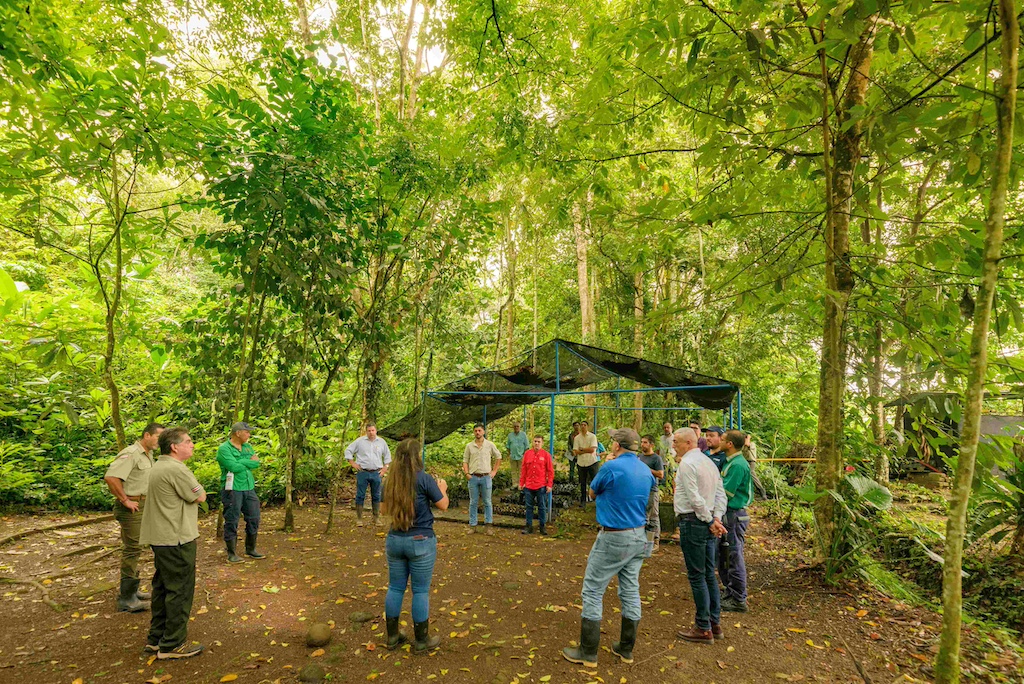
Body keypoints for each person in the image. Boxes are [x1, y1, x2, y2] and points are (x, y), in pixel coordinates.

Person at [562, 428, 653, 668]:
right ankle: (626, 649)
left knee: (593, 589)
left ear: (617, 445)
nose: (610, 443)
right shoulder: (645, 469)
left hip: (613, 536)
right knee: (630, 589)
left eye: (613, 440)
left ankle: (588, 652)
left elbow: (592, 492)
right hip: (638, 535)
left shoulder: (611, 468)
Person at [140, 427, 206, 659]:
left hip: (161, 537)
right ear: (174, 446)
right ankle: (173, 644)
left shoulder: (158, 465)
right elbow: (199, 495)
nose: (192, 445)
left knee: (163, 587)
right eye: (188, 441)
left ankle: (157, 638)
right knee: (179, 589)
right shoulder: (176, 469)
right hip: (176, 538)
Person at [382, 438, 449, 653]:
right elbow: (444, 505)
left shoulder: (389, 480)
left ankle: (392, 637)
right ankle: (421, 641)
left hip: (395, 540)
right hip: (421, 541)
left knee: (395, 587)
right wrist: (442, 488)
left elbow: (383, 511)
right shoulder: (424, 479)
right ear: (416, 456)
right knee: (420, 591)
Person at [672, 427, 728, 645]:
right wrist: (716, 518)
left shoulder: (688, 463)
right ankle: (714, 622)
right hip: (706, 522)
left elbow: (695, 498)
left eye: (676, 441)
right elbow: (719, 494)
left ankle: (703, 627)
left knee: (697, 575)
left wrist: (710, 520)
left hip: (694, 522)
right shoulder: (708, 462)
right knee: (708, 574)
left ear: (688, 443)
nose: (673, 445)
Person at [104, 423, 164, 612]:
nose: (160, 441)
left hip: (145, 505)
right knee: (132, 548)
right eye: (157, 437)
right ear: (147, 435)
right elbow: (111, 477)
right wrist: (124, 500)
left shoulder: (148, 455)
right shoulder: (131, 453)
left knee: (138, 547)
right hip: (132, 506)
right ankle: (126, 598)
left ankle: (133, 590)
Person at [217, 421, 265, 563]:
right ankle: (231, 553)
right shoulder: (224, 449)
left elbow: (256, 462)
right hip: (232, 489)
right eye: (247, 432)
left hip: (249, 487)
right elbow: (233, 466)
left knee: (254, 518)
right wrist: (246, 462)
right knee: (232, 519)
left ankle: (251, 549)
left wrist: (241, 462)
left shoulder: (247, 446)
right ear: (238, 433)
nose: (249, 434)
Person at [719, 430, 754, 613]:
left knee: (734, 555)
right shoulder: (731, 462)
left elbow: (725, 492)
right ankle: (730, 591)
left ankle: (739, 598)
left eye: (723, 439)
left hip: (734, 514)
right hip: (728, 513)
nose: (720, 441)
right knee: (725, 555)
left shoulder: (738, 465)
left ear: (730, 444)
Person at [344, 422, 392, 527]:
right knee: (360, 495)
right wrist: (352, 463)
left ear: (376, 431)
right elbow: (348, 450)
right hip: (363, 472)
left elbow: (388, 456)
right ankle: (359, 518)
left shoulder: (381, 442)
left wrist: (385, 468)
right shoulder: (360, 441)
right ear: (366, 431)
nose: (371, 433)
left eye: (373, 430)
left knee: (376, 495)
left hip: (376, 473)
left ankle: (376, 518)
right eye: (369, 431)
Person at [462, 424, 501, 535]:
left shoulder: (489, 445)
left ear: (483, 432)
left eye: (479, 430)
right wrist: (466, 473)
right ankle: (473, 525)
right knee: (473, 502)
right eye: (475, 431)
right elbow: (465, 460)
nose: (477, 433)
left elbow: (498, 456)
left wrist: (494, 471)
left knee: (487, 502)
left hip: (486, 477)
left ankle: (488, 525)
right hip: (473, 477)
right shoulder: (469, 446)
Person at [519, 435, 554, 535]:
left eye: (539, 441)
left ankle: (542, 526)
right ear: (532, 442)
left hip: (541, 485)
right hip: (529, 485)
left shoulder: (546, 455)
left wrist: (549, 485)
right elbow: (523, 469)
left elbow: (550, 471)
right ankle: (528, 526)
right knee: (529, 506)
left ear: (542, 443)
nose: (537, 443)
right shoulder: (527, 454)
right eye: (535, 441)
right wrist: (522, 483)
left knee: (542, 507)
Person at [639, 435, 665, 552]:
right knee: (643, 516)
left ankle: (654, 541)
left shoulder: (656, 458)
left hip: (651, 490)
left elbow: (660, 474)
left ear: (651, 444)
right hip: (640, 490)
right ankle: (645, 541)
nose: (642, 444)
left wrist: (645, 469)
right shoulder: (639, 457)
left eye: (645, 442)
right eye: (642, 442)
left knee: (653, 517)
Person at [573, 420, 600, 504]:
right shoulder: (577, 438)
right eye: (582, 425)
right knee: (582, 482)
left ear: (587, 427)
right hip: (581, 463)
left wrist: (582, 449)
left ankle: (596, 499)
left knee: (594, 481)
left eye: (585, 425)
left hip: (592, 462)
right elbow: (575, 451)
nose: (583, 426)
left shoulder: (592, 436)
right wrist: (585, 450)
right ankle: (583, 500)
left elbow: (592, 450)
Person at [743, 433, 768, 499]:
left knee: (752, 475)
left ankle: (762, 492)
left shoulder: (752, 444)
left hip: (751, 462)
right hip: (746, 462)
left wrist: (748, 437)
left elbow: (747, 444)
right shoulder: (743, 446)